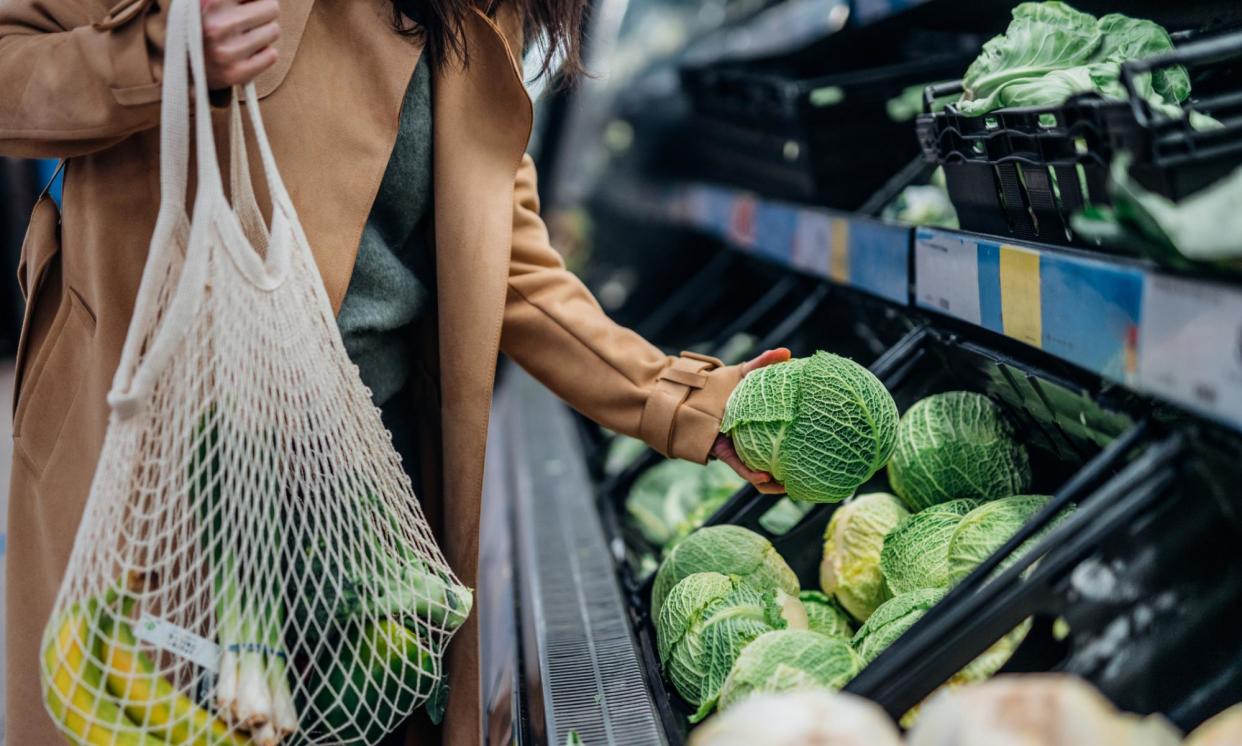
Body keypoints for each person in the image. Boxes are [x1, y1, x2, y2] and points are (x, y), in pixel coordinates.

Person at [0, 0, 789, 741]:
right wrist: (154, 56)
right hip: (172, 483)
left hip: (368, 505)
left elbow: (506, 262)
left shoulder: (482, 11)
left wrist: (685, 401)